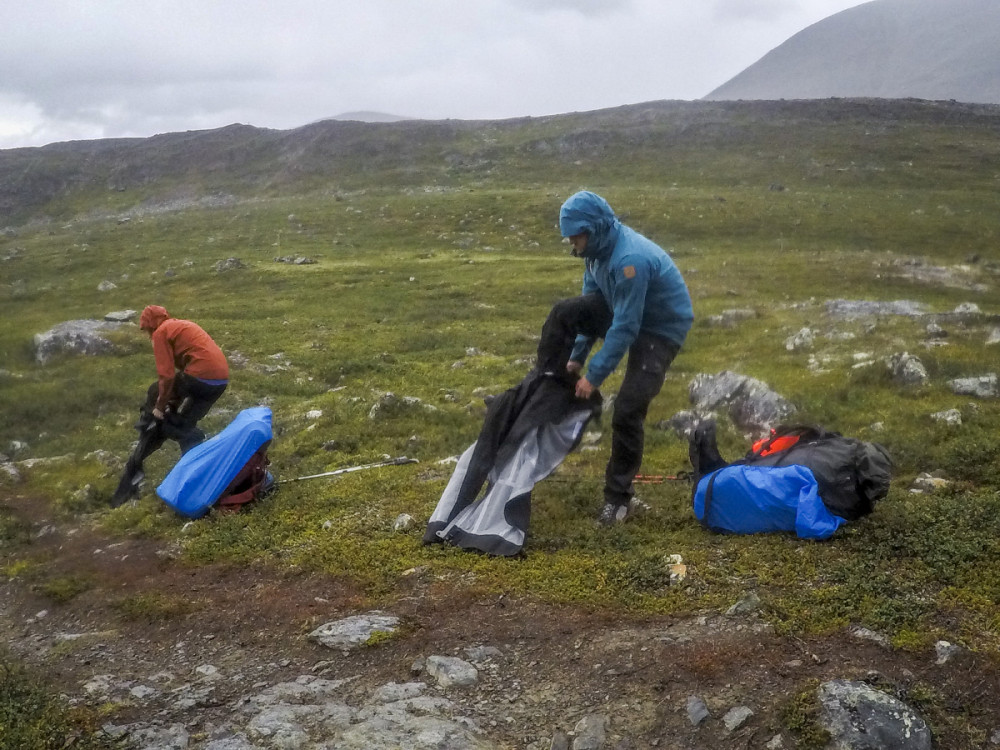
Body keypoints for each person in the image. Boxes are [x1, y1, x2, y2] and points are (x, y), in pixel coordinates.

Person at [536, 191, 694, 524]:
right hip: (627, 312)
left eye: (575, 237)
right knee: (565, 311)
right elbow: (589, 306)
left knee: (627, 408)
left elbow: (626, 327)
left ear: (592, 229)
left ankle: (618, 500)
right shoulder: (593, 254)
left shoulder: (628, 261)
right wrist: (575, 359)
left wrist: (594, 375)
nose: (572, 245)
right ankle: (546, 385)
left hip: (660, 329)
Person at [111, 305, 229, 506]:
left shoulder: (161, 332)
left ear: (151, 324)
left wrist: (159, 406)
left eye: (147, 330)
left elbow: (166, 377)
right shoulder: (181, 325)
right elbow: (180, 378)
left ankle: (148, 434)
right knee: (185, 427)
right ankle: (200, 482)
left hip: (199, 377)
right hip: (219, 382)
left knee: (155, 392)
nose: (149, 335)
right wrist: (171, 402)